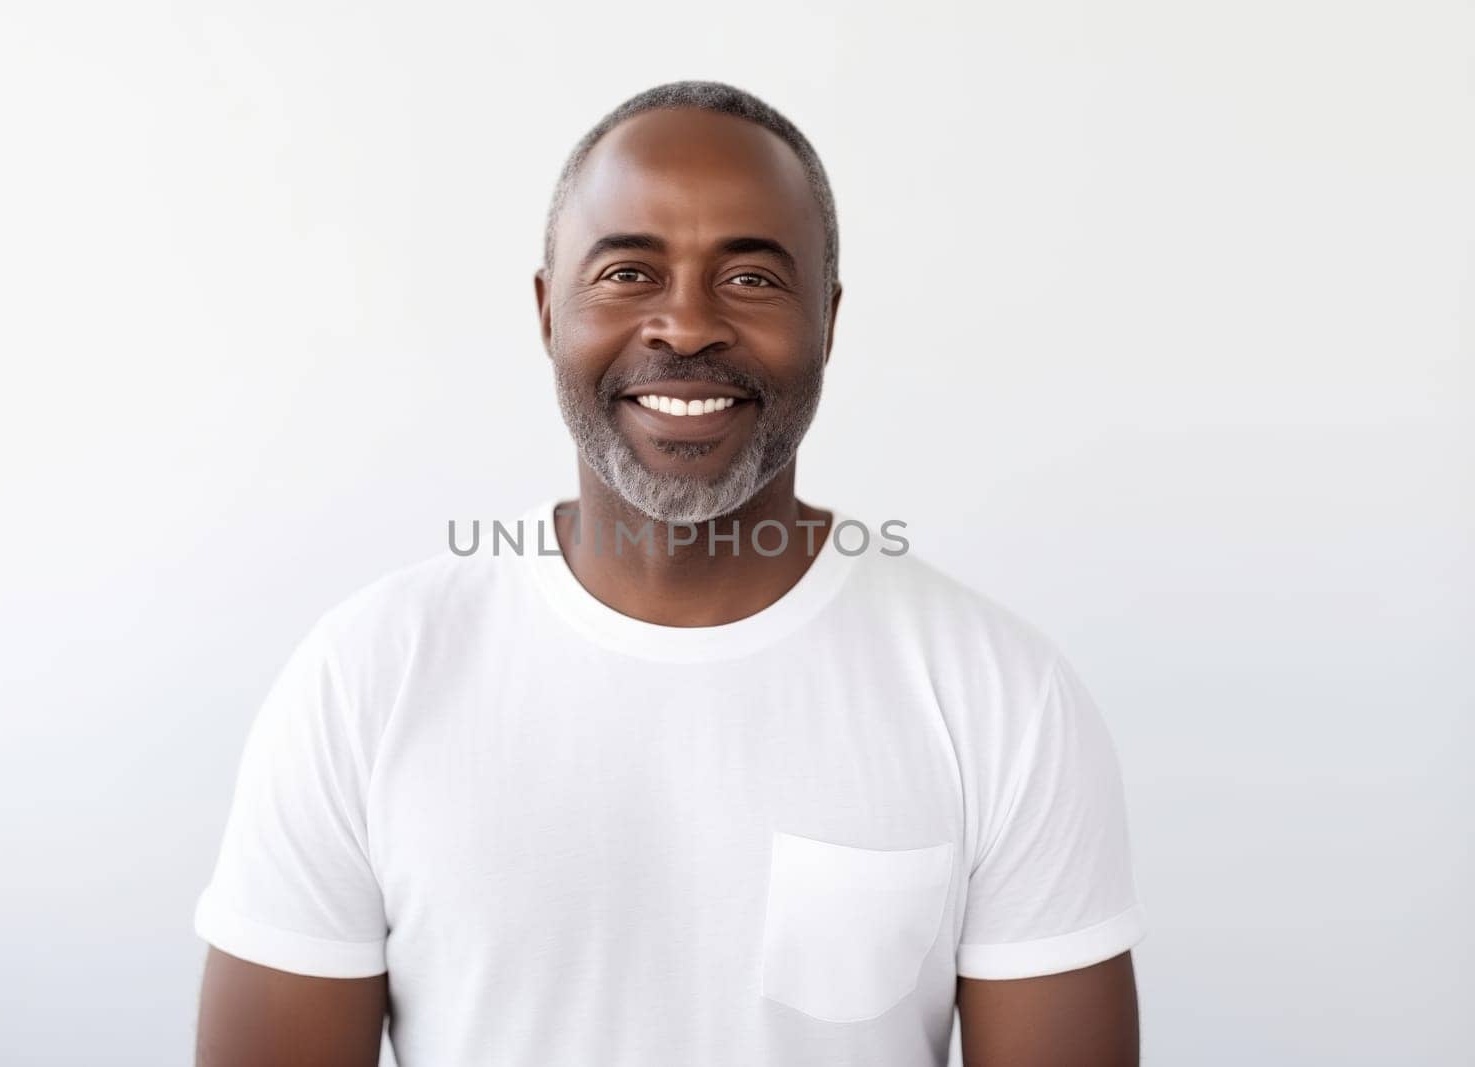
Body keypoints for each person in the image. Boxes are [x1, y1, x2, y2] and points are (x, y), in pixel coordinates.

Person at [193, 80, 1147, 1066]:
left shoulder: (999, 694)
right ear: (545, 310)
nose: (684, 327)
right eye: (625, 273)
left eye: (750, 278)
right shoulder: (368, 675)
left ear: (828, 317)